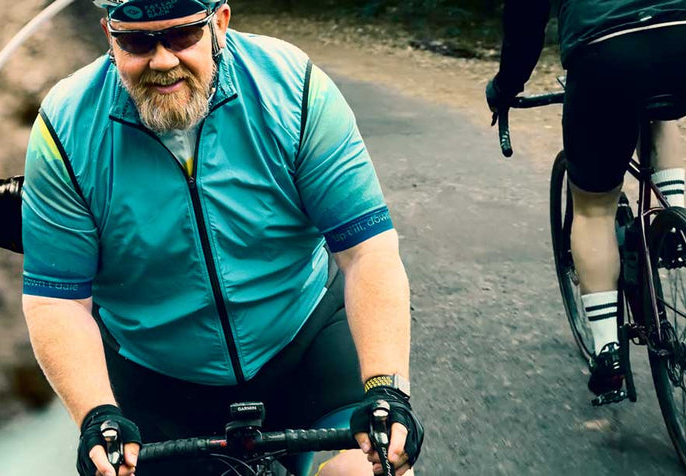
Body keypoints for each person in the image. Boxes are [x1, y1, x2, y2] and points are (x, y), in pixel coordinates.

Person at [21, 1, 423, 475]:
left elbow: (366, 250)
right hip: (158, 380)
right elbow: (58, 300)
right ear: (110, 35)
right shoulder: (65, 128)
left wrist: (387, 389)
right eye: (137, 42)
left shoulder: (293, 88)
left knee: (373, 469)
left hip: (304, 343)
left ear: (220, 23)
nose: (162, 60)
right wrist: (96, 414)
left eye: (182, 36)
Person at [485, 0, 686, 400]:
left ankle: (608, 353)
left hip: (605, 55)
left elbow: (526, 17)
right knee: (660, 106)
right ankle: (670, 223)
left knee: (594, 210)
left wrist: (505, 87)